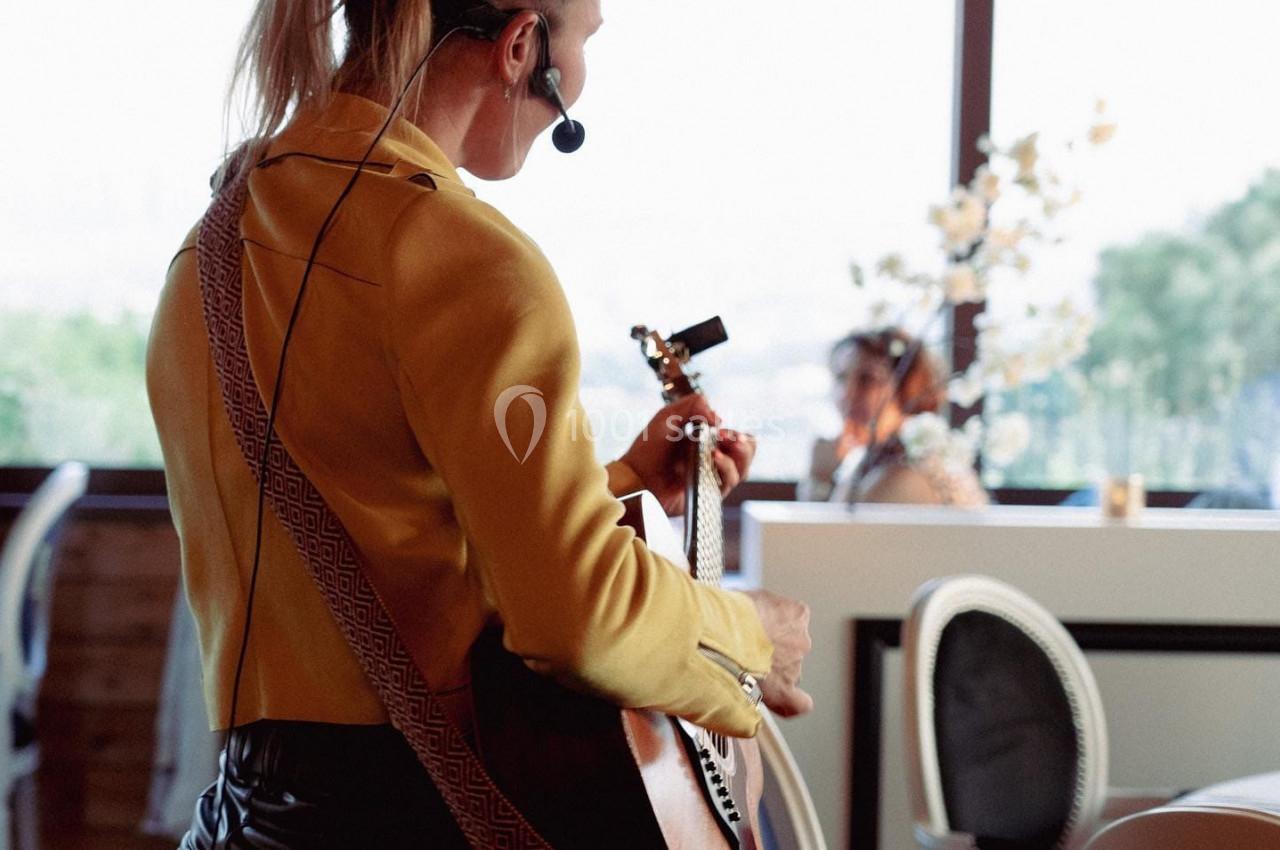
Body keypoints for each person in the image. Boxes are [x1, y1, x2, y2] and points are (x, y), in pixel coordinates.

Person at [145, 0, 813, 847]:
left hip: (244, 813)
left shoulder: (210, 245)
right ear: (523, 46)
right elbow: (578, 617)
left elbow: (379, 507)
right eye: (587, 39)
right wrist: (750, 634)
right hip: (422, 810)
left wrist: (625, 482)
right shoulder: (462, 254)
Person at [800, 327, 988, 506]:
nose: (846, 394)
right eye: (840, 377)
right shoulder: (878, 459)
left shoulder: (907, 475)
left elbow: (834, 529)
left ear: (910, 388)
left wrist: (820, 479)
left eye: (867, 379)